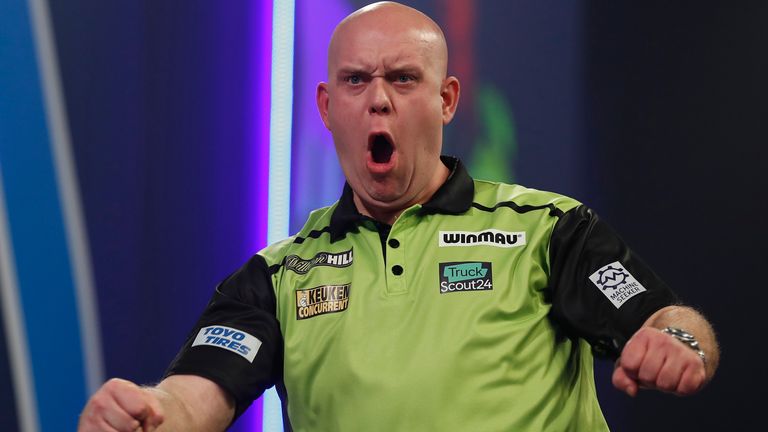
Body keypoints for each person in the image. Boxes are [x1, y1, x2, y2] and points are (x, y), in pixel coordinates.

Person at [78, 2, 719, 431]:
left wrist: (680, 342)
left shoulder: (548, 231)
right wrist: (150, 412)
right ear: (327, 108)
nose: (378, 99)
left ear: (445, 100)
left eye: (403, 79)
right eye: (356, 82)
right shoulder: (276, 277)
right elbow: (197, 393)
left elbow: (664, 318)